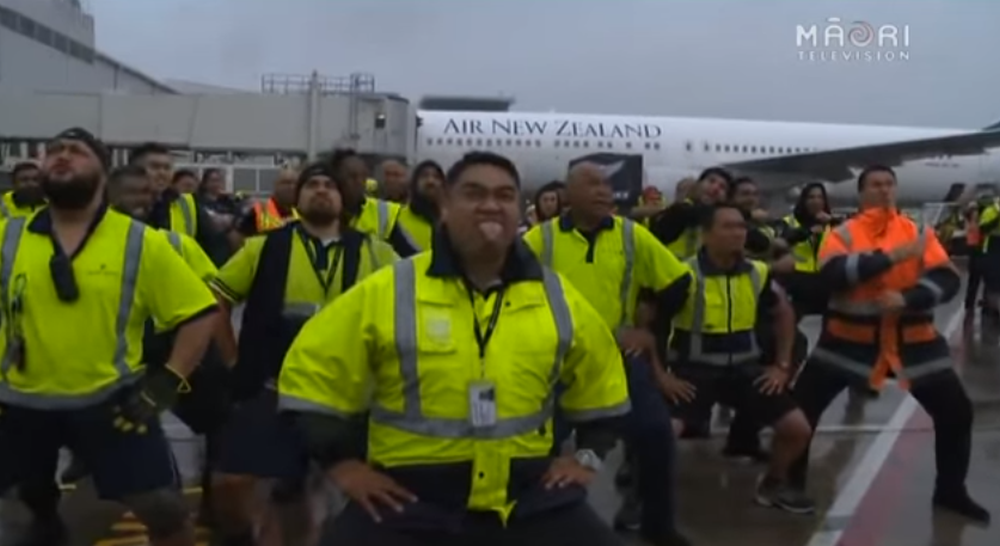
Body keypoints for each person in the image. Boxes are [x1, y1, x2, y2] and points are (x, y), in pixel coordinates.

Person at [278, 151, 630, 546]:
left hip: (526, 500)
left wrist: (587, 457)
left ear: (519, 210)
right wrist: (342, 466)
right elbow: (310, 374)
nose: (491, 205)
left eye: (504, 195)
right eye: (474, 193)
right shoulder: (391, 288)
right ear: (445, 206)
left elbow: (604, 381)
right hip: (409, 500)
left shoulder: (556, 296)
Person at [0, 127, 219, 546]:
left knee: (166, 511)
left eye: (76, 151)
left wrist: (169, 381)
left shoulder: (141, 242)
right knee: (26, 512)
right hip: (20, 406)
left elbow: (199, 314)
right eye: (55, 151)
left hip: (114, 404)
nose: (61, 156)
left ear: (103, 175)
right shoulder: (8, 236)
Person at [209, 162, 397, 546]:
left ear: (344, 198)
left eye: (330, 184)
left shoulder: (377, 253)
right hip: (273, 386)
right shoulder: (263, 247)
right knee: (230, 482)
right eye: (312, 184)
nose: (321, 190)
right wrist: (232, 361)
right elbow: (215, 300)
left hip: (348, 395)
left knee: (330, 495)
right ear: (298, 197)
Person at [790, 165, 990, 524]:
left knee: (957, 413)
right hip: (847, 342)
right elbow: (832, 276)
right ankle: (789, 485)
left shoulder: (918, 233)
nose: (883, 191)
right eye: (875, 185)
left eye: (888, 184)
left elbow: (946, 278)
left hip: (913, 343)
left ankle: (951, 491)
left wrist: (909, 298)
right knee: (801, 412)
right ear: (862, 193)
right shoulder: (843, 234)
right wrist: (889, 259)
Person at [523, 162, 692, 546]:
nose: (603, 191)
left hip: (617, 357)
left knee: (655, 434)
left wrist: (647, 328)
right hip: (556, 362)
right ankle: (528, 521)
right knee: (536, 446)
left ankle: (657, 526)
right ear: (568, 193)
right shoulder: (539, 240)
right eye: (592, 184)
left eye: (606, 184)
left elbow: (678, 282)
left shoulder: (631, 236)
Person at [655, 204, 814, 513]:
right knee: (657, 434)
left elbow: (783, 313)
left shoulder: (758, 271)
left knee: (798, 430)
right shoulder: (681, 274)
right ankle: (643, 496)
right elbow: (650, 326)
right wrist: (662, 376)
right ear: (706, 234)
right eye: (728, 227)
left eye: (741, 226)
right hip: (693, 374)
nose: (738, 233)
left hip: (744, 371)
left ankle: (773, 486)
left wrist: (782, 366)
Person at [129, 142, 230, 265]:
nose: (162, 173)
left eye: (167, 168)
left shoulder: (187, 205)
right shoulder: (117, 205)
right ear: (133, 171)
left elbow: (216, 247)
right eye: (154, 167)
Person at [328, 148, 417, 258]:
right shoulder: (321, 211)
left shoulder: (382, 212)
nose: (359, 182)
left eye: (363, 176)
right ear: (336, 179)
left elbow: (412, 257)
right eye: (352, 176)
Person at [649, 169, 730, 260]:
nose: (715, 188)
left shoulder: (722, 218)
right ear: (697, 185)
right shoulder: (682, 210)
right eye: (711, 181)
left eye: (722, 187)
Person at [395, 160, 445, 252]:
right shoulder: (397, 218)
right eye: (424, 176)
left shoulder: (449, 222)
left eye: (436, 177)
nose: (431, 181)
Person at [236, 167, 300, 237]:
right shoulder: (258, 212)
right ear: (275, 186)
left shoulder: (304, 212)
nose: (291, 187)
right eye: (286, 183)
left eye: (295, 184)